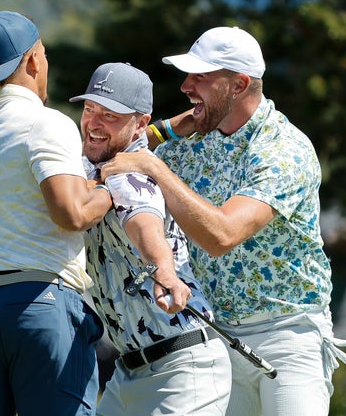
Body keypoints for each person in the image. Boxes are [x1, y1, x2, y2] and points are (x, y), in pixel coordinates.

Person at [101, 26, 346, 416]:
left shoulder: (284, 149)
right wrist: (164, 130)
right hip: (214, 338)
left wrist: (157, 168)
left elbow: (223, 235)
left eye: (200, 77)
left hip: (288, 336)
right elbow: (116, 153)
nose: (186, 86)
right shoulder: (188, 141)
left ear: (239, 84)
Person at [0, 11, 112, 416]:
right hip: (38, 301)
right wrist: (113, 187)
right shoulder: (46, 122)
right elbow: (71, 213)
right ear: (34, 60)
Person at [70, 62, 232, 415]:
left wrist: (164, 273)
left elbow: (144, 222)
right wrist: (179, 123)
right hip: (128, 372)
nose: (94, 123)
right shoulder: (91, 163)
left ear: (138, 123)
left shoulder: (131, 174)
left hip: (183, 369)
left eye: (110, 115)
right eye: (89, 109)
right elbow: (155, 131)